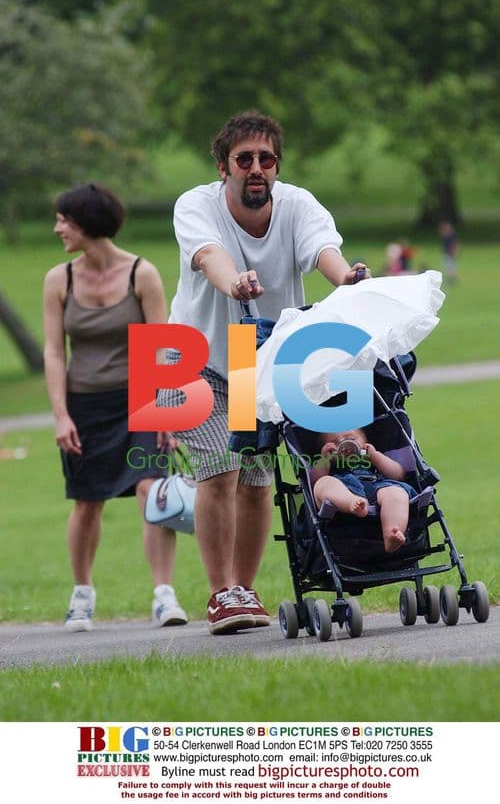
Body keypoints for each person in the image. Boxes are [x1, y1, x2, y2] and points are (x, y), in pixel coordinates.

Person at [158, 111, 370, 635]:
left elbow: (323, 250)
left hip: (256, 353)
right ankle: (219, 592)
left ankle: (244, 590)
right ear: (222, 165)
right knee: (219, 469)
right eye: (244, 159)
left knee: (256, 480)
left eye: (266, 159)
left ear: (278, 165)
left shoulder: (298, 205)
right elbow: (209, 256)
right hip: (187, 352)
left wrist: (346, 278)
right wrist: (235, 284)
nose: (256, 168)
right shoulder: (196, 204)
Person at [43, 183, 188, 632]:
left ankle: (164, 595)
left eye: (64, 220)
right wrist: (61, 414)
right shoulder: (58, 279)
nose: (57, 229)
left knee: (153, 492)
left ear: (86, 223)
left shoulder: (140, 274)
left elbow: (163, 346)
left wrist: (166, 410)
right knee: (87, 503)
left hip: (141, 399)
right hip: (85, 404)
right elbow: (54, 351)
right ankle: (82, 595)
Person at [312, 428, 416, 554]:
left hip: (377, 486)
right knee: (323, 483)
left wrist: (375, 456)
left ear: (365, 440)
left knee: (397, 493)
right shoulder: (330, 466)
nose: (344, 443)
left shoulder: (372, 458)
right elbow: (314, 482)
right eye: (335, 443)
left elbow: (399, 475)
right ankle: (351, 502)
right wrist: (325, 459)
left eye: (352, 439)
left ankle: (392, 533)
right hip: (344, 490)